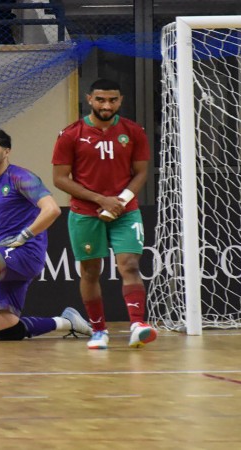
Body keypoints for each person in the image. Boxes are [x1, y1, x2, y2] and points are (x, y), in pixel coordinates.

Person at [0, 129, 92, 344]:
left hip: (24, 252)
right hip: (1, 252)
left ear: (7, 152)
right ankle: (67, 322)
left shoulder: (20, 177)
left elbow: (52, 210)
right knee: (7, 332)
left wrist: (24, 236)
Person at [52, 78, 158, 350]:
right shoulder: (70, 134)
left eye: (112, 100)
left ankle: (137, 325)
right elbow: (60, 179)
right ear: (89, 100)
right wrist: (101, 200)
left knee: (130, 266)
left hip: (125, 211)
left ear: (120, 101)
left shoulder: (133, 131)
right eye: (100, 99)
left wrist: (120, 202)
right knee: (90, 272)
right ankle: (99, 330)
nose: (106, 105)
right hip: (86, 213)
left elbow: (142, 172)